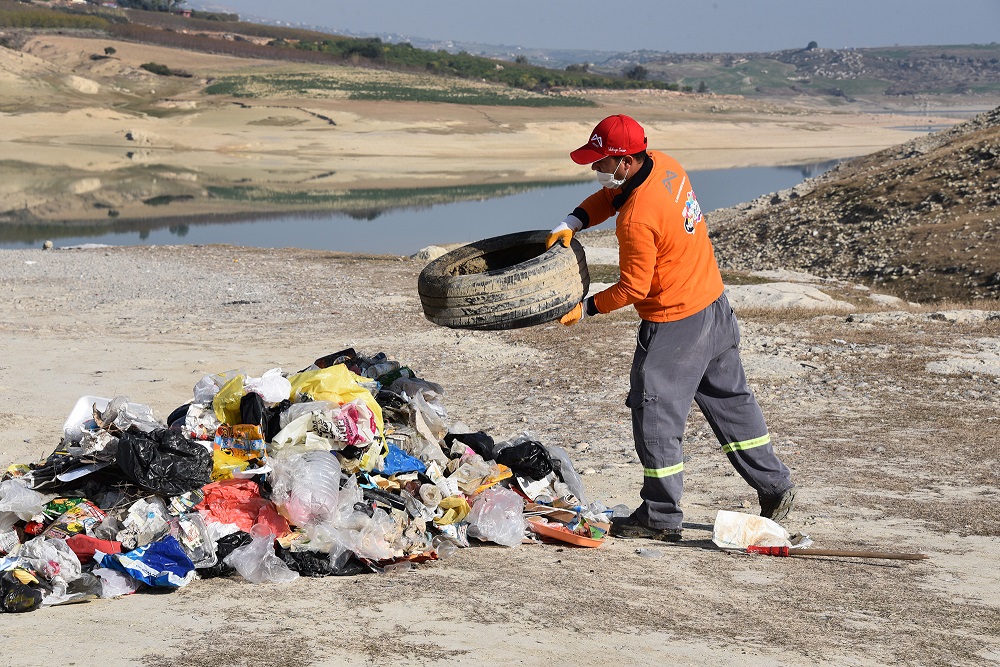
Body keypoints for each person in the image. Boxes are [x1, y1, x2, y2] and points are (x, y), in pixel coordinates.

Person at [548, 114, 796, 542]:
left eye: (601, 162)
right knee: (732, 403)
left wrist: (586, 309)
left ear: (624, 161)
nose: (595, 169)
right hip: (714, 307)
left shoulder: (637, 220)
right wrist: (575, 220)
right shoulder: (664, 165)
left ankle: (660, 518)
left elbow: (632, 287)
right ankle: (776, 486)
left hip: (676, 324)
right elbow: (615, 197)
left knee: (656, 414)